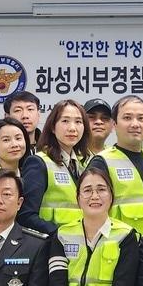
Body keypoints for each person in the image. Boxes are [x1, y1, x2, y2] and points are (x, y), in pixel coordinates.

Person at [89, 95, 143, 235]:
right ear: (114, 124)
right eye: (127, 118)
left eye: (141, 118)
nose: (135, 124)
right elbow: (92, 213)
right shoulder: (102, 162)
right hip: (120, 245)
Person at [31, 98, 88, 234]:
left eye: (78, 122)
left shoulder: (83, 164)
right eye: (65, 121)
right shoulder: (39, 162)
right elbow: (26, 215)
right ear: (52, 127)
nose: (72, 128)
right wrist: (59, 233)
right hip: (51, 241)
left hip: (80, 240)